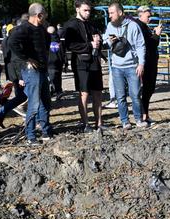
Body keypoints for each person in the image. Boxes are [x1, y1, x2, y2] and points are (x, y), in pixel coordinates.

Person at [8, 3, 54, 145]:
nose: (46, 16)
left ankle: (46, 131)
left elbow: (46, 43)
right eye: (44, 14)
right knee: (33, 103)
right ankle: (30, 135)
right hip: (31, 70)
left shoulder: (41, 29)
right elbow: (12, 42)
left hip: (42, 69)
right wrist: (27, 58)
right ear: (39, 15)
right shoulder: (23, 29)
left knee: (45, 101)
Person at [103, 2, 147, 130]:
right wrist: (109, 41)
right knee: (120, 96)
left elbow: (140, 46)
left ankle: (138, 119)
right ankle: (125, 121)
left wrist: (141, 64)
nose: (109, 15)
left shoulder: (133, 26)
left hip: (132, 66)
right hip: (117, 67)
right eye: (109, 13)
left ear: (120, 13)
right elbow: (105, 40)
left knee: (135, 94)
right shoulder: (110, 26)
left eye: (112, 13)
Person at [65, 0, 105, 132]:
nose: (88, 13)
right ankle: (85, 124)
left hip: (94, 62)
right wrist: (89, 45)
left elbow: (98, 40)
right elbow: (70, 45)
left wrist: (99, 41)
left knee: (98, 93)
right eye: (85, 10)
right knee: (84, 94)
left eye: (89, 10)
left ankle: (99, 123)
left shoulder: (92, 25)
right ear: (77, 9)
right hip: (81, 63)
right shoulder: (71, 25)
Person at [0, 14, 29, 128]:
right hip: (19, 72)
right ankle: (33, 120)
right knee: (28, 96)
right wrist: (21, 77)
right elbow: (16, 60)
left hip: (13, 72)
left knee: (22, 96)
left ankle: (1, 113)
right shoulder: (16, 39)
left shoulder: (7, 39)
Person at [134, 5, 162, 124]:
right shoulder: (139, 27)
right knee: (145, 90)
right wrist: (157, 34)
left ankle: (145, 114)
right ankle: (142, 115)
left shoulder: (144, 26)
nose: (150, 18)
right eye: (148, 16)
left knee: (148, 90)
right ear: (141, 15)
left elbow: (153, 44)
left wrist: (156, 34)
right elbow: (148, 44)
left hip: (150, 62)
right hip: (145, 63)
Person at [47, 26, 65, 99]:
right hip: (59, 62)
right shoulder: (60, 41)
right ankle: (58, 91)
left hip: (50, 62)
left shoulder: (45, 42)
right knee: (58, 77)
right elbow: (63, 52)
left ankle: (56, 91)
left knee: (51, 78)